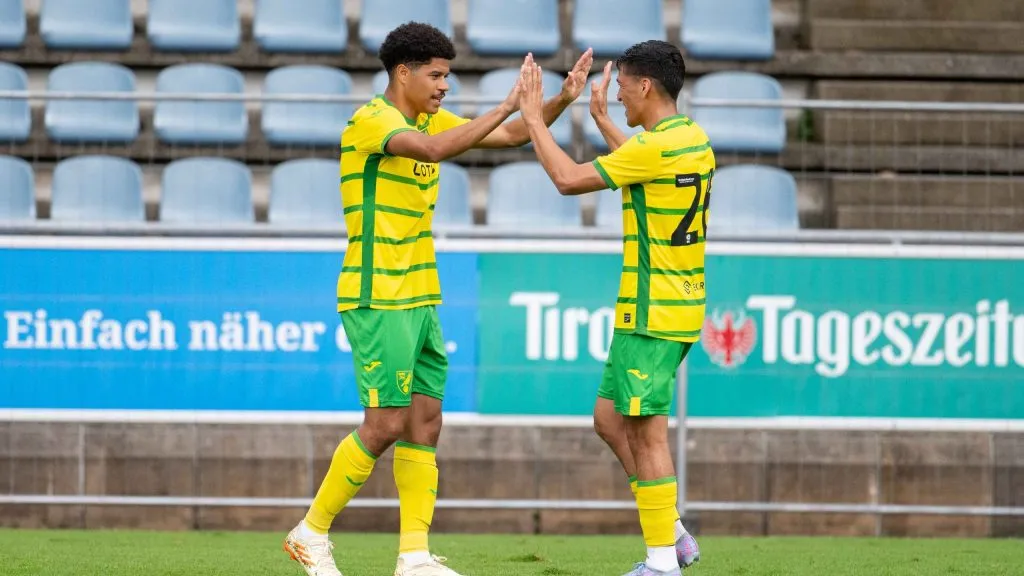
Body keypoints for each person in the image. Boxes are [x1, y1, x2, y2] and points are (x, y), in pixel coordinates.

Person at [282, 22, 594, 576]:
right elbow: (431, 148)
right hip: (378, 294)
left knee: (426, 422)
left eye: (447, 75)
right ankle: (310, 531)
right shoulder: (372, 122)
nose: (445, 86)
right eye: (437, 75)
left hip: (421, 293)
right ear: (403, 73)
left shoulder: (427, 117)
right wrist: (506, 104)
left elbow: (511, 137)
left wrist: (561, 100)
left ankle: (414, 556)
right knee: (384, 424)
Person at [517, 40, 713, 576]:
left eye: (622, 87)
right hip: (670, 306)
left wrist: (535, 119)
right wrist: (602, 118)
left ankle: (661, 563)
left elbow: (567, 179)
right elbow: (640, 163)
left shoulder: (654, 148)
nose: (619, 94)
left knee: (647, 431)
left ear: (646, 86)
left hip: (654, 311)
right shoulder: (688, 138)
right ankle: (670, 531)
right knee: (609, 419)